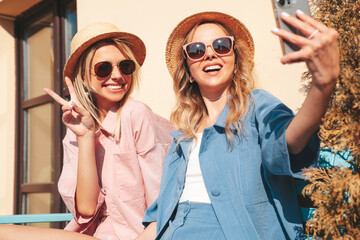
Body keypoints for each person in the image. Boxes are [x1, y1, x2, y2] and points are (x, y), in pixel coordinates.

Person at [140, 11, 339, 240]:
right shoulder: (180, 141)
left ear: (235, 61)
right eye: (197, 50)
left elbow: (288, 141)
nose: (210, 54)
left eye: (221, 45)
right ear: (189, 71)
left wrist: (323, 85)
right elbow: (162, 218)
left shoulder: (257, 106)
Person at [0, 22, 174, 240]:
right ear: (83, 77)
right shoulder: (77, 129)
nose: (118, 75)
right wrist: (85, 136)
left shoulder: (135, 114)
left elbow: (166, 208)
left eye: (125, 66)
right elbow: (86, 210)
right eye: (104, 68)